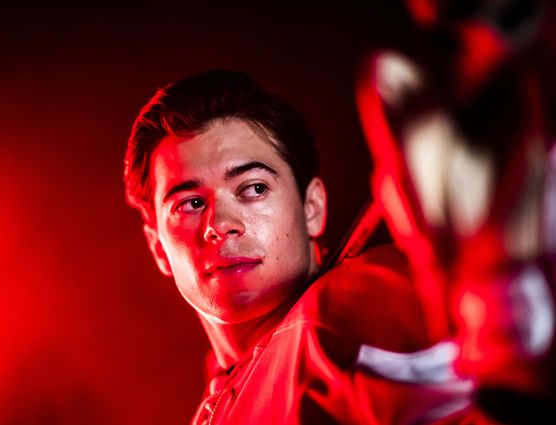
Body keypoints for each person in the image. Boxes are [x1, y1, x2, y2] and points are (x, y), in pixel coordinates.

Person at [123, 70, 474, 424]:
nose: (220, 224)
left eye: (254, 188)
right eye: (190, 204)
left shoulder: (346, 310)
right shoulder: (219, 389)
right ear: (157, 246)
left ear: (313, 208)